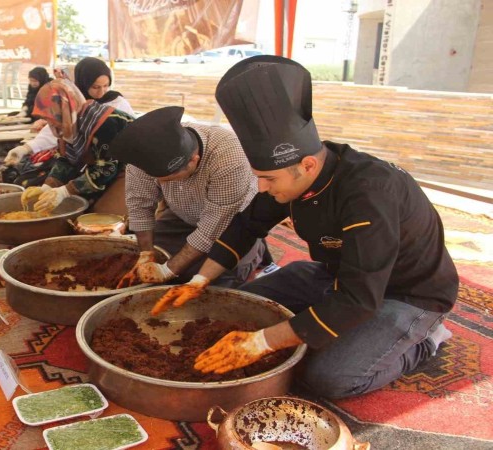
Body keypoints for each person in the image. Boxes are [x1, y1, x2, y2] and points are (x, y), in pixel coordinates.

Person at [152, 56, 459, 399]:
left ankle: (426, 339)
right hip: (333, 273)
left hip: (404, 292)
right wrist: (199, 279)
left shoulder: (370, 193)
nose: (263, 188)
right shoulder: (291, 174)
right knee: (232, 309)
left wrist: (261, 342)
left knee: (328, 378)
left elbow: (358, 299)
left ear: (308, 164)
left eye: (267, 179)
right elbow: (247, 224)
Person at [110, 105, 267, 289]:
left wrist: (168, 270)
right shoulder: (144, 153)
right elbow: (140, 205)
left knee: (211, 279)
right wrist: (146, 254)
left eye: (169, 179)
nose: (163, 184)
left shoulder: (229, 157)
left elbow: (212, 229)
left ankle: (258, 249)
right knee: (129, 256)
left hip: (233, 222)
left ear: (194, 160)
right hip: (182, 214)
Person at [20, 79, 133, 214]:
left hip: (137, 169)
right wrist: (48, 186)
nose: (49, 124)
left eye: (52, 117)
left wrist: (65, 191)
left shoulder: (104, 123)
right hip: (109, 169)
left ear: (65, 108)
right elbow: (66, 160)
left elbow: (106, 168)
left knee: (102, 215)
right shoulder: (69, 124)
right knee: (80, 204)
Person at [4, 57, 135, 166]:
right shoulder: (74, 102)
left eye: (106, 86)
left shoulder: (117, 103)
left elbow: (129, 139)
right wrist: (26, 148)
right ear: (83, 82)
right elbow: (60, 129)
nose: (101, 92)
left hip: (112, 162)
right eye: (95, 87)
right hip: (83, 160)